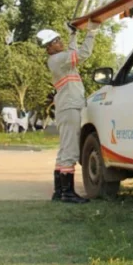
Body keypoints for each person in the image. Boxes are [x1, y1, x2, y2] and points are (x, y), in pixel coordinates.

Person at [36, 19, 102, 203]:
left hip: (67, 106)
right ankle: (68, 193)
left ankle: (59, 192)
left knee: (65, 149)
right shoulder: (58, 59)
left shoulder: (59, 59)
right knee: (71, 150)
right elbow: (83, 53)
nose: (60, 42)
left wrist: (73, 34)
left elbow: (72, 53)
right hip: (70, 106)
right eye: (56, 41)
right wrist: (92, 32)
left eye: (59, 39)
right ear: (49, 47)